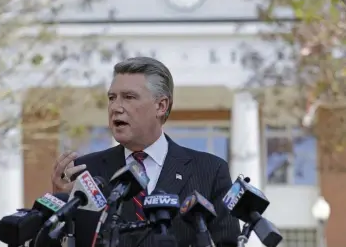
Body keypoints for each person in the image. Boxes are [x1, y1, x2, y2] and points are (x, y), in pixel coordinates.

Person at [51, 57, 240, 247]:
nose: (116, 107)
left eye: (129, 97)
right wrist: (62, 204)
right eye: (112, 98)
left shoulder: (209, 171)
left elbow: (227, 243)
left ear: (161, 106)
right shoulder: (87, 172)